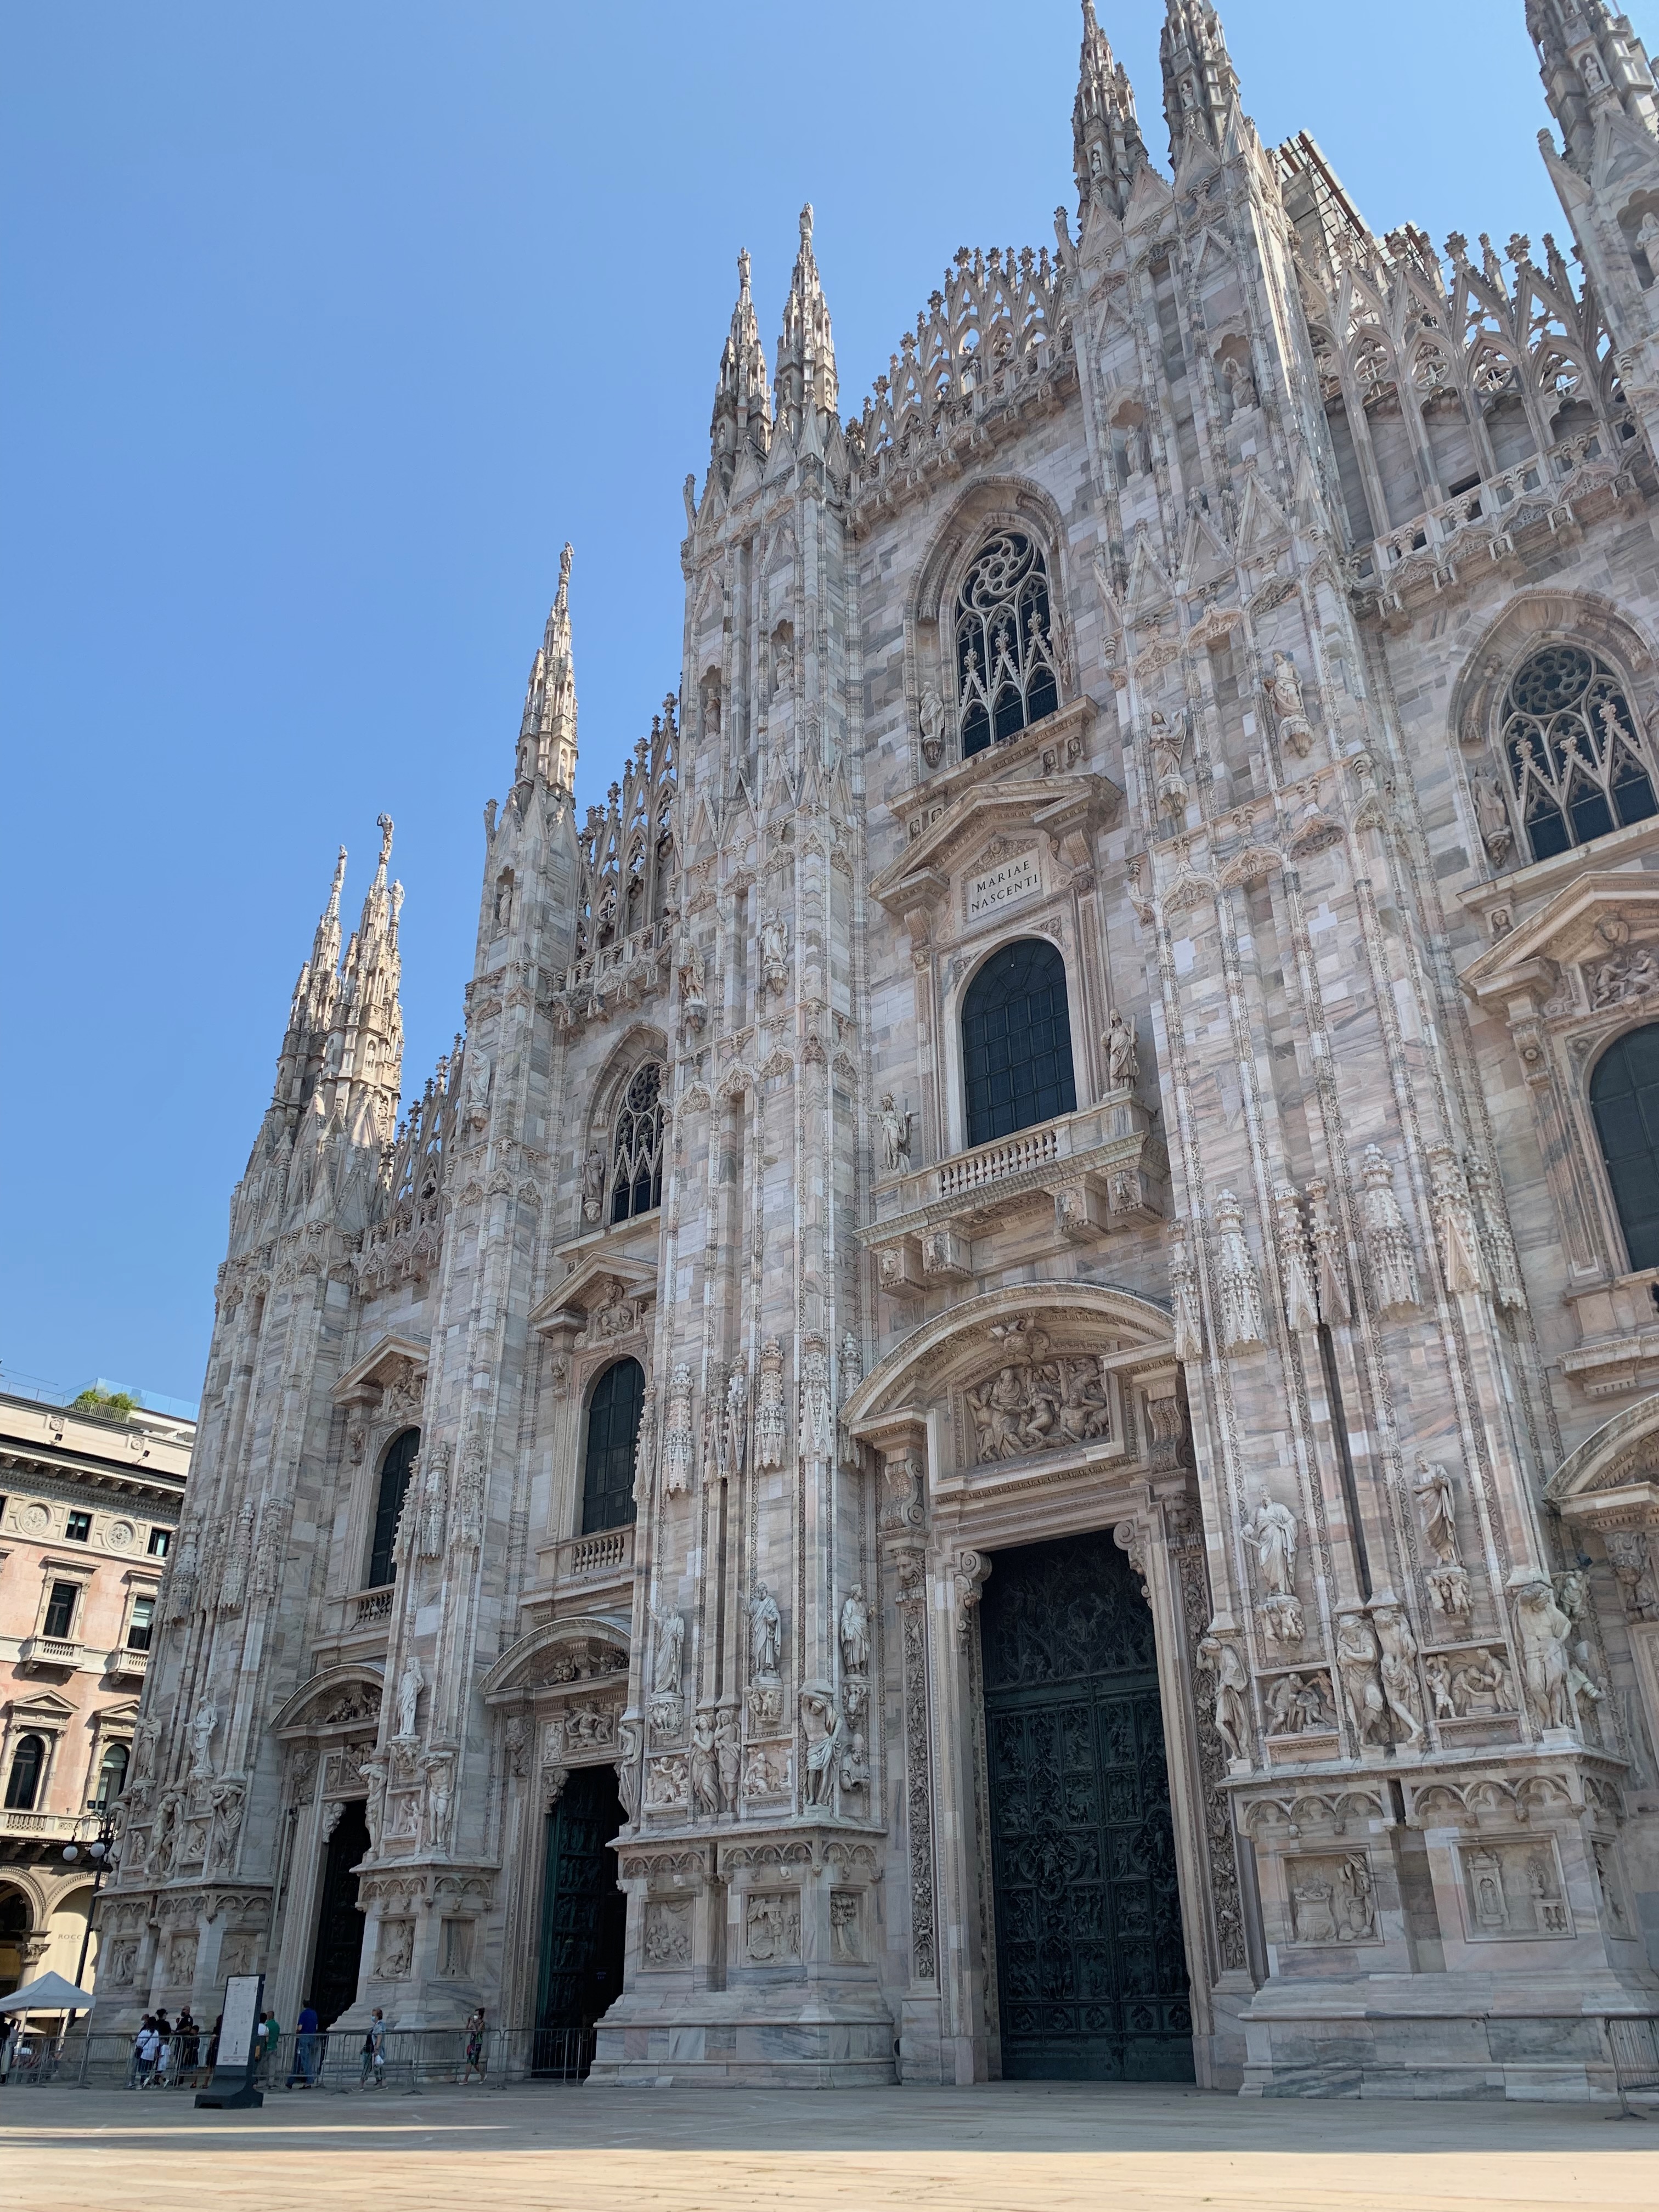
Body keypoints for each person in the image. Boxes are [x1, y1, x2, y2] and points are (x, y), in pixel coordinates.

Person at [287, 1998, 319, 2088]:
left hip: (304, 2038)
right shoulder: (314, 2014)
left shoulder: (303, 2014)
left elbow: (300, 2028)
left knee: (304, 2059)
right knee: (299, 2059)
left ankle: (309, 2080)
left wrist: (297, 2031)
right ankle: (290, 2081)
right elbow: (316, 2027)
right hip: (312, 2037)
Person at [459, 2007, 487, 2085]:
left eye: (476, 2015)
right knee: (474, 2062)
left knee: (471, 2061)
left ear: (480, 2016)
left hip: (477, 2044)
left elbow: (477, 2033)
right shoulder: (474, 2023)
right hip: (472, 2043)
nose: (475, 2016)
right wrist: (469, 2023)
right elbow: (467, 2031)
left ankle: (466, 2079)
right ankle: (483, 2075)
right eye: (474, 2015)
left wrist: (474, 2026)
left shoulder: (482, 2024)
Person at [360, 2008, 385, 2089]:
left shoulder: (380, 2025)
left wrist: (377, 2049)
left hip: (374, 2050)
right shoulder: (376, 2026)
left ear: (378, 2016)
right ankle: (380, 2083)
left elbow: (379, 2037)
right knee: (375, 2067)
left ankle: (361, 2084)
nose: (372, 2017)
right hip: (371, 2050)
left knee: (369, 2067)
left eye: (374, 2015)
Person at [174, 2009, 199, 2086]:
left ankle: (193, 2082)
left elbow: (187, 2028)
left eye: (184, 2009)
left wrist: (178, 2032)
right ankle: (179, 2079)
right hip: (185, 2049)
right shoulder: (183, 2020)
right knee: (182, 2066)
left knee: (191, 2068)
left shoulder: (189, 2019)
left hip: (191, 2054)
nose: (183, 2011)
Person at [195, 2013, 221, 2089]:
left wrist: (210, 2048)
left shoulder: (216, 2028)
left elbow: (213, 2038)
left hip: (214, 2048)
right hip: (220, 2049)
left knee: (209, 2067)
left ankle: (206, 2083)